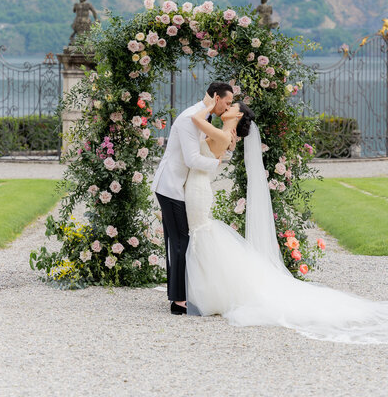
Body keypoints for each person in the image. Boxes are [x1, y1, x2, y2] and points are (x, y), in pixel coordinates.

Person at [184, 95, 388, 343]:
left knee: (202, 232)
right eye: (227, 103)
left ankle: (208, 292)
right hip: (197, 186)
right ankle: (210, 289)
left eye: (231, 105)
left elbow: (194, 119)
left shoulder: (224, 136)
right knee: (203, 233)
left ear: (237, 115)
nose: (226, 107)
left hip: (198, 188)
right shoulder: (225, 135)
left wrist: (208, 104)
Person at [152, 82, 235, 315]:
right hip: (171, 186)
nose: (227, 108)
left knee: (177, 240)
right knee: (181, 241)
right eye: (227, 103)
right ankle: (178, 301)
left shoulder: (202, 117)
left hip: (180, 186)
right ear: (216, 97)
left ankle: (177, 293)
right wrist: (217, 163)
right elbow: (191, 159)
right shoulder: (191, 117)